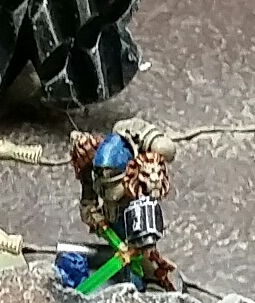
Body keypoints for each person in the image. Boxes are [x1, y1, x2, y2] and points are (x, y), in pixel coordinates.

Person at [54, 118, 182, 292]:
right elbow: (87, 201)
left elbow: (165, 150)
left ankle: (142, 285)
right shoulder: (95, 169)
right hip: (111, 225)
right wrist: (96, 218)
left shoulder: (137, 181)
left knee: (143, 262)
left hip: (131, 224)